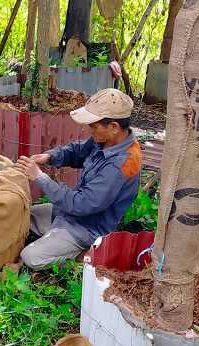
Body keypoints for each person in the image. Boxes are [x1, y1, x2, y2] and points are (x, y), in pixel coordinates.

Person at [14, 88, 142, 270]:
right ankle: (56, 238)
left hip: (87, 229)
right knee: (24, 216)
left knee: (31, 256)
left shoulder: (120, 165)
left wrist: (40, 177)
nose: (89, 130)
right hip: (71, 214)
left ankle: (85, 257)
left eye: (94, 126)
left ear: (113, 127)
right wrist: (50, 156)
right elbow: (78, 150)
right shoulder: (108, 139)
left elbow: (82, 204)